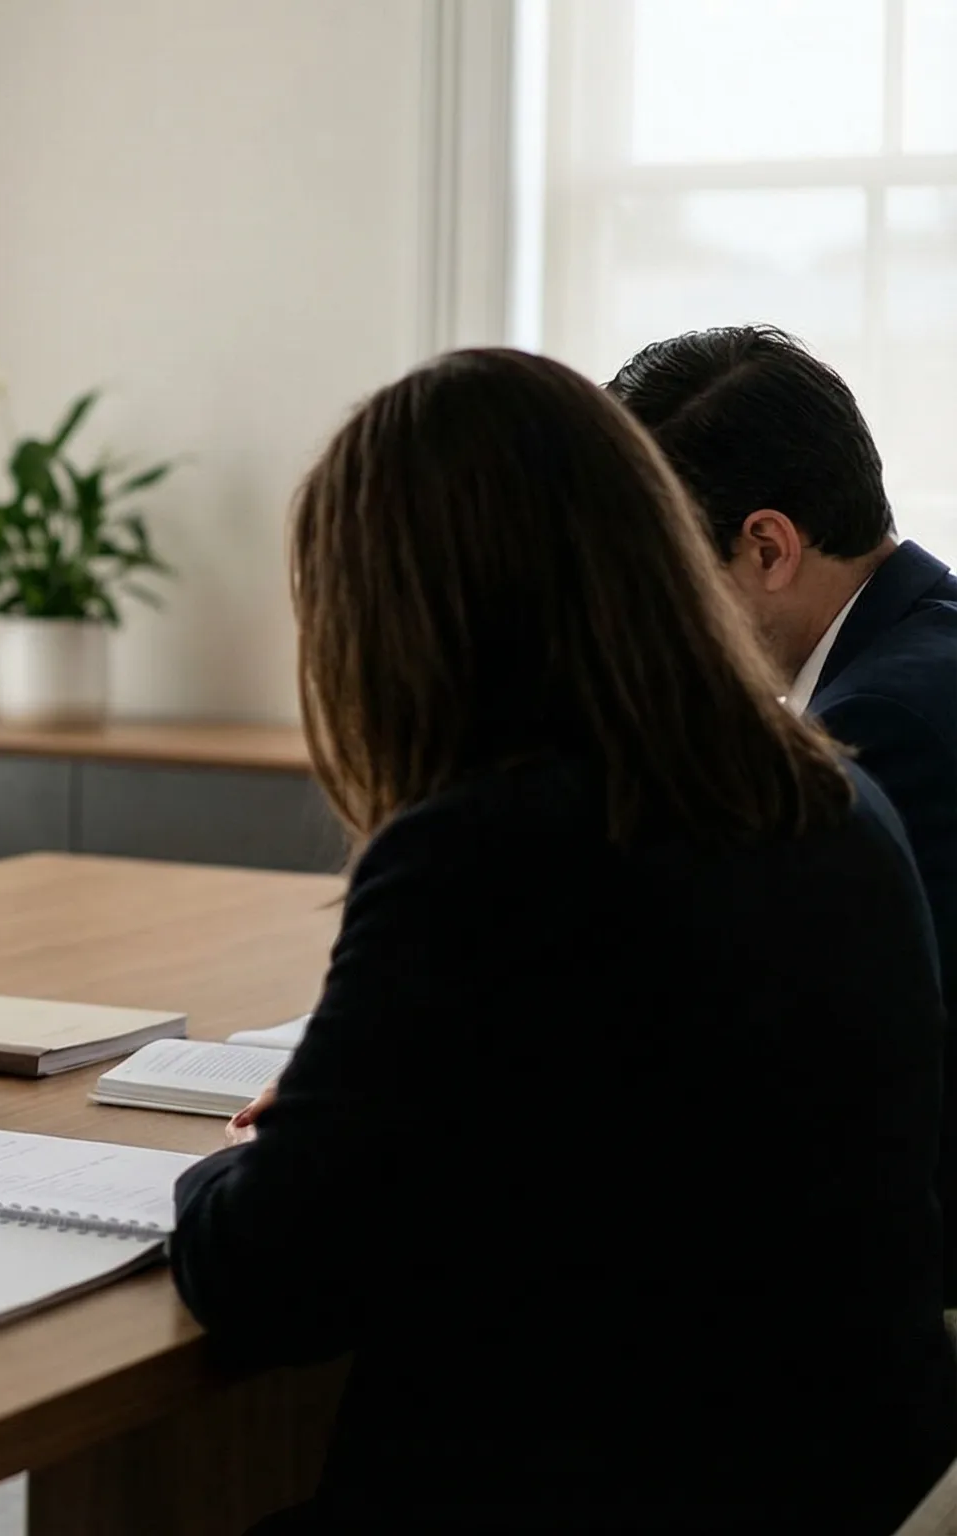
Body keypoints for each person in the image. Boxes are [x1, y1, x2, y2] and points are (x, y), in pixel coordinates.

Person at [172, 348, 955, 1535]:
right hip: (839, 1478)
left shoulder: (478, 846)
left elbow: (268, 1279)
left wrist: (243, 1162)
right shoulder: (828, 790)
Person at [607, 326, 957, 1006]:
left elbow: (871, 1046)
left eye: (658, 578)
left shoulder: (881, 725)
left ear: (768, 548)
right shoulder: (922, 648)